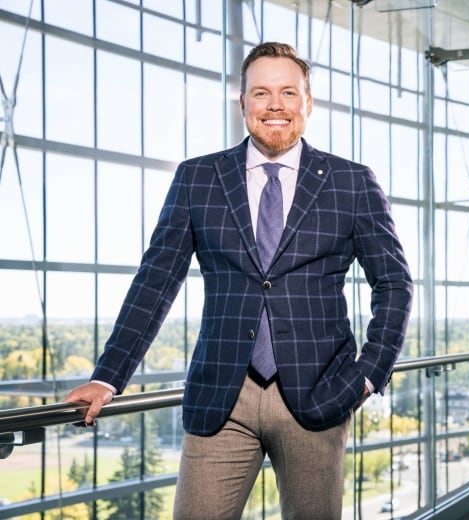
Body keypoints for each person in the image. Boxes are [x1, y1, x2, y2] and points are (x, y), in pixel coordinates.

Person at [64, 41, 413, 519]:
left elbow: (394, 283)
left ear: (308, 104)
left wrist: (369, 375)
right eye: (261, 93)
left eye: (288, 93)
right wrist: (107, 377)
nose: (275, 105)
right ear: (243, 103)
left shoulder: (351, 182)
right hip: (221, 397)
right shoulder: (198, 178)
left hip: (320, 394)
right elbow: (155, 281)